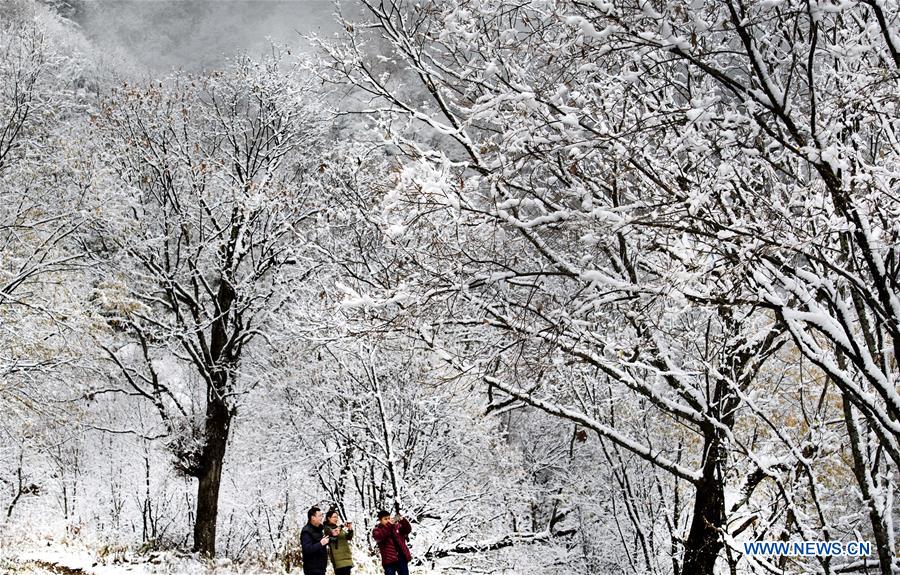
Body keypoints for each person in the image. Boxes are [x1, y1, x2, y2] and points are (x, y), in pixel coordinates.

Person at [372, 510, 412, 575]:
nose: (388, 520)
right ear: (380, 520)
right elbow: (380, 537)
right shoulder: (377, 530)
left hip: (401, 558)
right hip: (389, 560)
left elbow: (407, 530)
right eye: (385, 519)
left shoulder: (396, 527)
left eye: (389, 518)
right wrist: (389, 525)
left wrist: (402, 520)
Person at [324, 507, 355, 575]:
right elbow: (333, 533)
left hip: (346, 557)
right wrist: (342, 526)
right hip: (338, 560)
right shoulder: (327, 528)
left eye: (337, 517)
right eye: (334, 517)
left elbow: (348, 537)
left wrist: (350, 529)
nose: (336, 519)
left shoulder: (338, 528)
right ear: (329, 518)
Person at [300, 506, 330, 575]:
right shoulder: (306, 531)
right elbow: (307, 549)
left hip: (321, 568)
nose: (321, 517)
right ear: (312, 518)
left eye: (322, 515)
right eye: (319, 516)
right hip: (312, 570)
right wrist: (321, 543)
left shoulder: (319, 530)